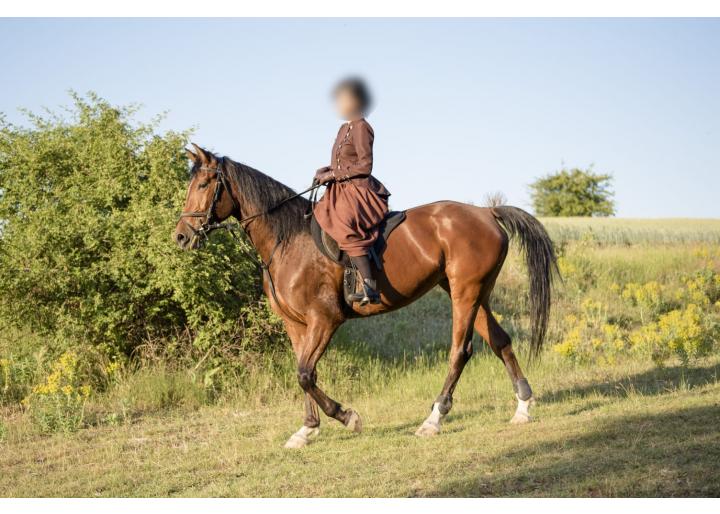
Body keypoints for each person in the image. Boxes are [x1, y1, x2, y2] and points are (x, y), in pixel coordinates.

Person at [313, 78, 391, 305]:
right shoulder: (343, 128)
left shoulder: (362, 127)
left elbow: (365, 166)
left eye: (345, 99)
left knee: (345, 224)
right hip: (340, 188)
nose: (340, 104)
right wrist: (325, 171)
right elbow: (342, 163)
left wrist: (334, 175)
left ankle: (370, 286)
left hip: (358, 190)